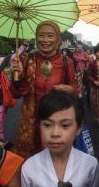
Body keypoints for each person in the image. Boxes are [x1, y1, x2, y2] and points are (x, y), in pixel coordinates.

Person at [12, 20, 77, 158]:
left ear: (58, 39)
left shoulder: (67, 62)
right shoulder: (27, 60)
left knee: (54, 160)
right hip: (30, 123)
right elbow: (16, 93)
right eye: (41, 35)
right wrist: (16, 75)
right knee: (30, 164)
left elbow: (75, 91)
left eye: (50, 36)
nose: (45, 40)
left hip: (56, 121)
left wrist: (68, 89)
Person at [21, 90, 99, 186]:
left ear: (78, 128)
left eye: (65, 125)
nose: (55, 133)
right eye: (47, 125)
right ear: (39, 126)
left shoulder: (90, 165)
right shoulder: (29, 168)